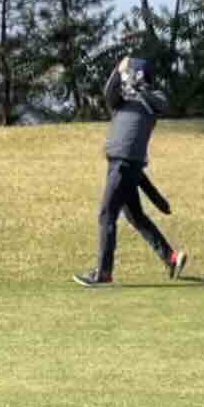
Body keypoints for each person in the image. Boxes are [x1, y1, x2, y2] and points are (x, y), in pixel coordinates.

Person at [74, 56, 189, 287]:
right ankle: (171, 258)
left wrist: (139, 88)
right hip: (121, 164)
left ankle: (103, 273)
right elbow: (109, 92)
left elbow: (164, 104)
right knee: (136, 217)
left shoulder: (152, 99)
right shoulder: (122, 100)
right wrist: (118, 71)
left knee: (107, 215)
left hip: (125, 164)